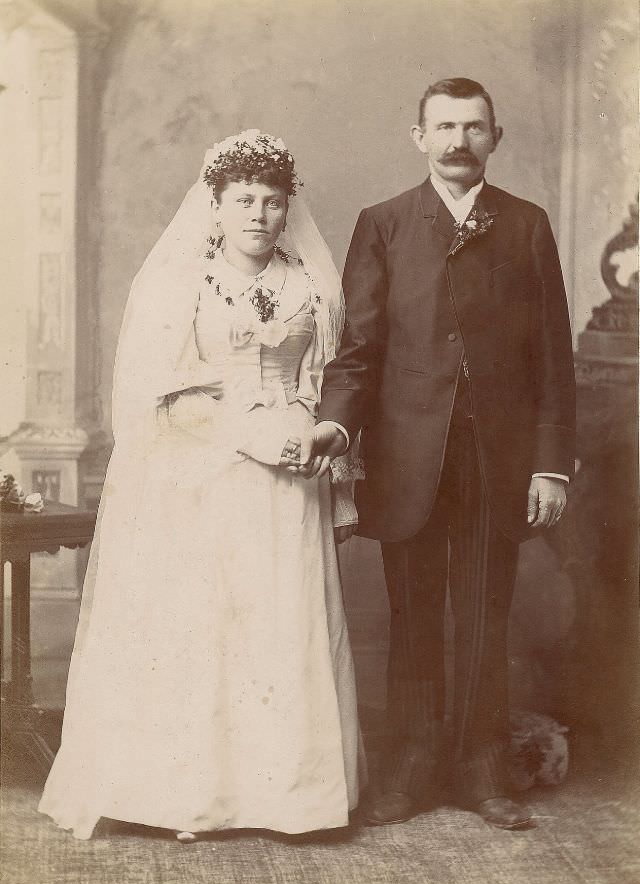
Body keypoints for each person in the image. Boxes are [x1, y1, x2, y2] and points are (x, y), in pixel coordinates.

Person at [39, 130, 365, 841]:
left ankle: (286, 798)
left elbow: (329, 380)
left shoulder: (310, 283)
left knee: (278, 625)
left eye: (272, 202)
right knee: (209, 623)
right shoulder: (176, 283)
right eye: (243, 199)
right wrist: (249, 437)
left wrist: (320, 452)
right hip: (203, 468)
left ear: (287, 210)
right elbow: (156, 394)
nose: (258, 214)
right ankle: (193, 795)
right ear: (214, 206)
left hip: (293, 468)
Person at [303, 78, 576, 830]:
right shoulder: (384, 223)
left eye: (474, 127)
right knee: (414, 612)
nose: (459, 141)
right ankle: (413, 765)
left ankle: (483, 767)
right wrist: (334, 427)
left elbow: (555, 355)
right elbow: (358, 350)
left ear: (496, 137)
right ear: (417, 136)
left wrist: (550, 464)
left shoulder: (525, 225)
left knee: (486, 611)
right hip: (407, 455)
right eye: (445, 127)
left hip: (500, 455)